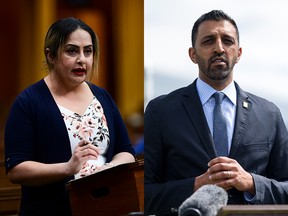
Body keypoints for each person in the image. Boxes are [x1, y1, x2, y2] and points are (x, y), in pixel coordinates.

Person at [144, 10, 288, 215]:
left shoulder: (269, 114)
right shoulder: (160, 111)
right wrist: (197, 185)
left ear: (238, 53)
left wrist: (251, 183)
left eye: (227, 41)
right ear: (193, 54)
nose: (219, 48)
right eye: (209, 41)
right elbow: (144, 193)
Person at [4, 17, 135, 216]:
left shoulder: (102, 96)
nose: (81, 59)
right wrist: (67, 168)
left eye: (88, 51)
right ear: (51, 55)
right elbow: (17, 169)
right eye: (72, 51)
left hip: (108, 208)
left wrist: (108, 169)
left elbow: (125, 151)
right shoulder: (28, 102)